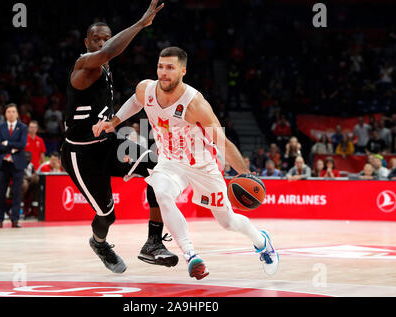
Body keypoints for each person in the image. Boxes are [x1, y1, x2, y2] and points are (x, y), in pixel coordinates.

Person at [93, 46, 279, 280]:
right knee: (161, 192)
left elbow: (223, 143)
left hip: (202, 166)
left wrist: (246, 174)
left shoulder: (195, 104)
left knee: (227, 221)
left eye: (170, 68)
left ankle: (262, 243)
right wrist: (115, 121)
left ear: (183, 71)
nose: (163, 72)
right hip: (170, 162)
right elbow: (135, 100)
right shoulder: (146, 89)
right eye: (160, 66)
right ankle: (191, 255)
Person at [60, 0, 178, 275]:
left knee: (157, 167)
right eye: (97, 39)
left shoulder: (106, 68)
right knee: (107, 215)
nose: (102, 43)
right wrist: (140, 24)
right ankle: (99, 243)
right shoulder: (84, 66)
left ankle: (153, 242)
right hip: (81, 154)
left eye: (106, 38)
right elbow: (109, 52)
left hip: (108, 144)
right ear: (87, 41)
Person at [0, 103, 28, 228]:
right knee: (1, 192)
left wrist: (7, 143)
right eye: (8, 111)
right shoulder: (0, 127)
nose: (11, 114)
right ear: (5, 114)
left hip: (17, 164)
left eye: (13, 111)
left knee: (17, 192)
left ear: (17, 114)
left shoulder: (23, 127)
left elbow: (22, 144)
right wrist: (13, 147)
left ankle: (15, 219)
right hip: (3, 163)